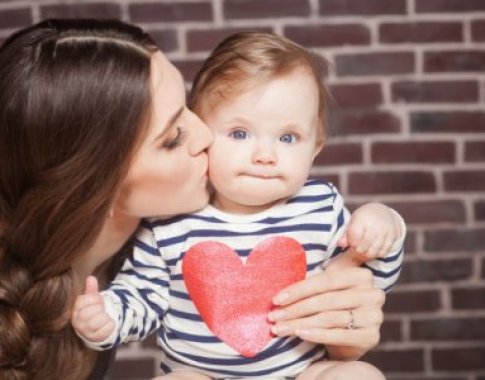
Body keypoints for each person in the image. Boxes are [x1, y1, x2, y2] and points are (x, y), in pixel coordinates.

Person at [0, 20, 390, 380]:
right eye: (173, 137)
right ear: (94, 184)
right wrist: (107, 318)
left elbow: (370, 266)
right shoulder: (161, 242)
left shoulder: (315, 206)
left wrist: (345, 323)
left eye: (187, 110)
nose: (206, 134)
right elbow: (139, 300)